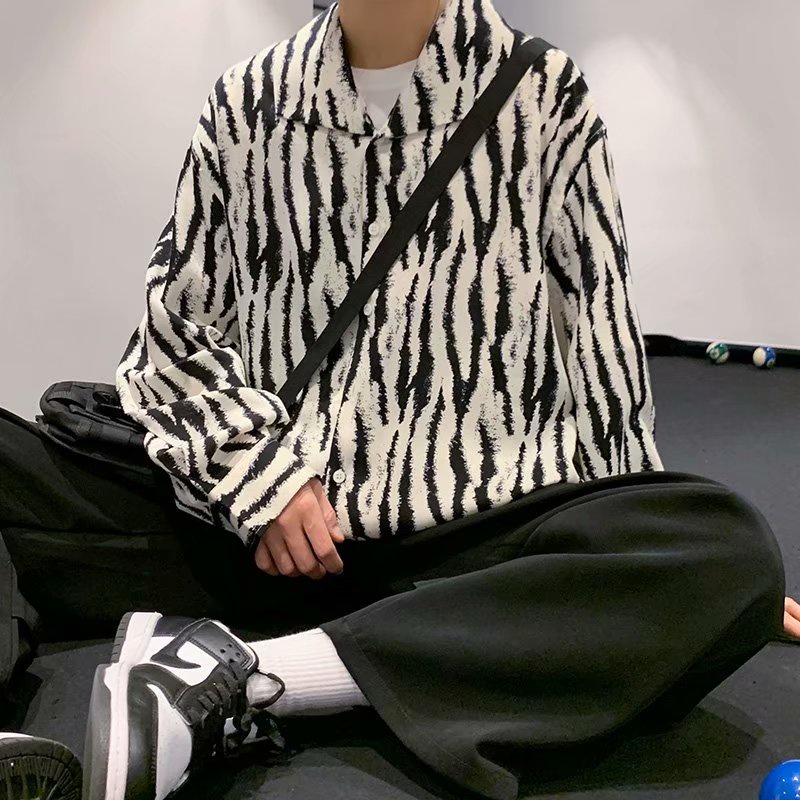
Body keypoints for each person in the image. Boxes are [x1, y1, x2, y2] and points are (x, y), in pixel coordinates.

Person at [0, 0, 794, 799]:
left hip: (459, 549)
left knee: (724, 551)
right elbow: (173, 336)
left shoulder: (543, 94)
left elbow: (600, 350)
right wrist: (262, 478)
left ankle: (247, 676)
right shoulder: (248, 100)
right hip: (249, 531)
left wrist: (642, 545)